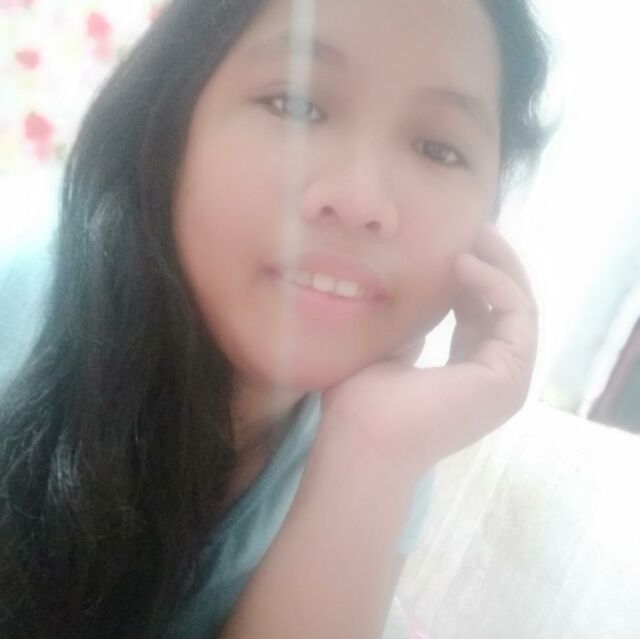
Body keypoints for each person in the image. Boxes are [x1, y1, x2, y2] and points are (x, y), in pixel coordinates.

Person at [0, 0, 552, 637]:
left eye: (438, 149)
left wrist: (369, 457)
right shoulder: (22, 294)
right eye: (294, 104)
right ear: (172, 118)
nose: (360, 200)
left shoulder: (389, 440)